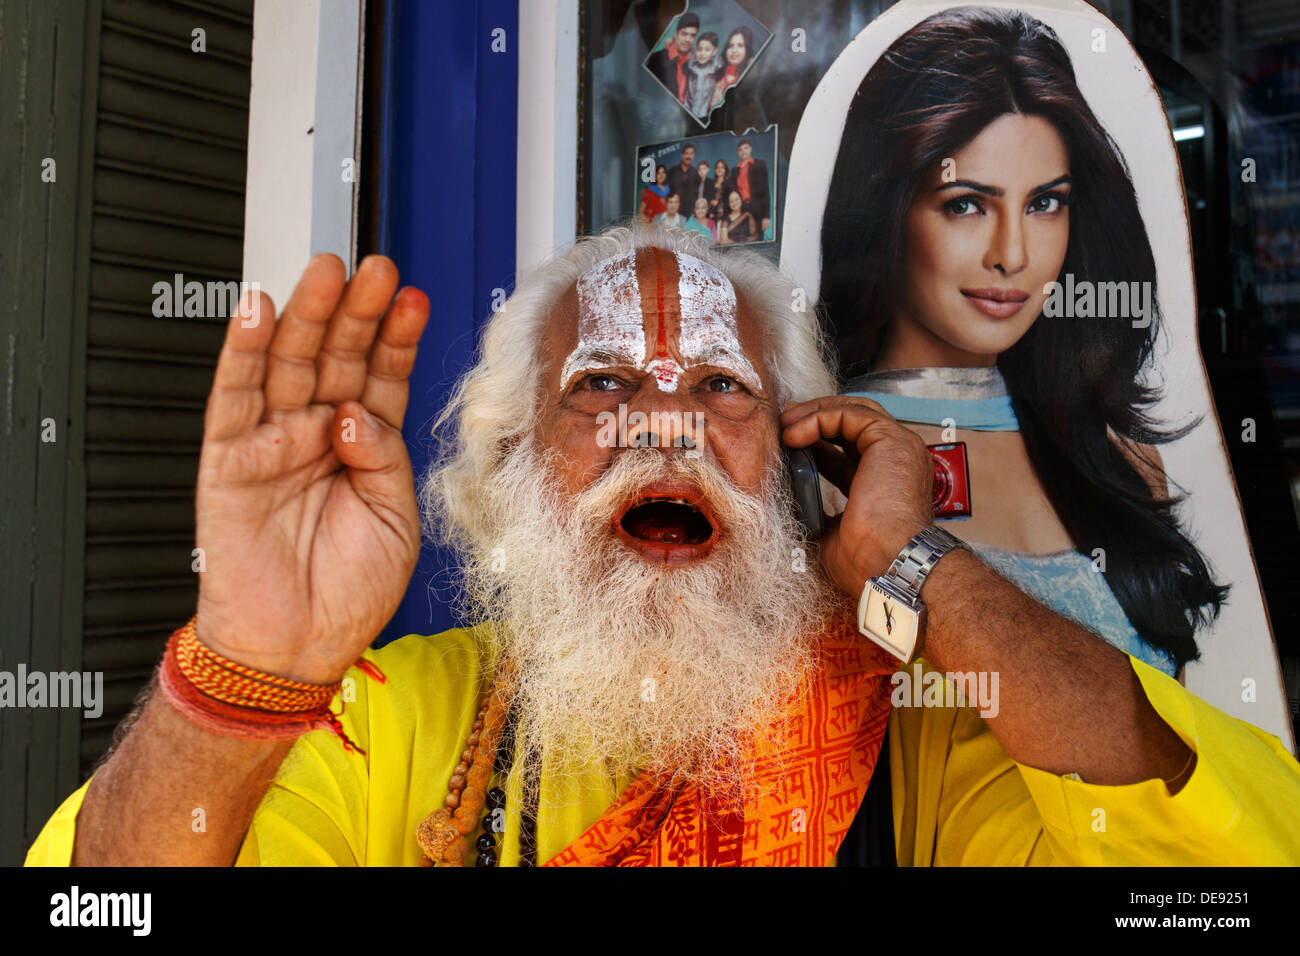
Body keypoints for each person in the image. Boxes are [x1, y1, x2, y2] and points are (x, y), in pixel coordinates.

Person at [26, 227, 1300, 867]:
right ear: (510, 462)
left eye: (718, 385)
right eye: (599, 386)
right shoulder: (391, 722)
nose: (662, 426)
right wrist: (245, 662)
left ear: (807, 452)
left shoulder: (925, 732)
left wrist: (915, 570)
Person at [817, 6, 1225, 678]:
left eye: (1044, 203)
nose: (1013, 255)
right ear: (884, 210)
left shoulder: (1119, 456)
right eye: (966, 204)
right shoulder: (828, 471)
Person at [646, 12, 698, 102]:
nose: (688, 40)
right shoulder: (656, 59)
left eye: (692, 35)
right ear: (676, 33)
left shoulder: (696, 63)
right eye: (684, 34)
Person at [732, 138, 770, 236]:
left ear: (750, 149)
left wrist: (766, 216)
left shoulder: (760, 164)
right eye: (740, 149)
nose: (743, 151)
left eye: (746, 148)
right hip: (741, 209)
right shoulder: (734, 170)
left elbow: (765, 190)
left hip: (757, 208)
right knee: (742, 238)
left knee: (757, 237)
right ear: (738, 152)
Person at [683, 32, 725, 120]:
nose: (702, 53)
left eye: (707, 50)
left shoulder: (716, 64)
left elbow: (724, 67)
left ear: (714, 51)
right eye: (699, 49)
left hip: (705, 110)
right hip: (688, 106)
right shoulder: (691, 63)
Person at [711, 26, 754, 109]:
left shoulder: (748, 80)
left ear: (747, 49)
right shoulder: (714, 71)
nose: (734, 50)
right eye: (730, 45)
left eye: (740, 45)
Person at [665, 144, 699, 213]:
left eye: (691, 154)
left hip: (690, 213)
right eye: (687, 153)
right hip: (673, 212)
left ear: (694, 156)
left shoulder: (696, 173)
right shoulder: (671, 171)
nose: (689, 156)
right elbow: (665, 192)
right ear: (682, 155)